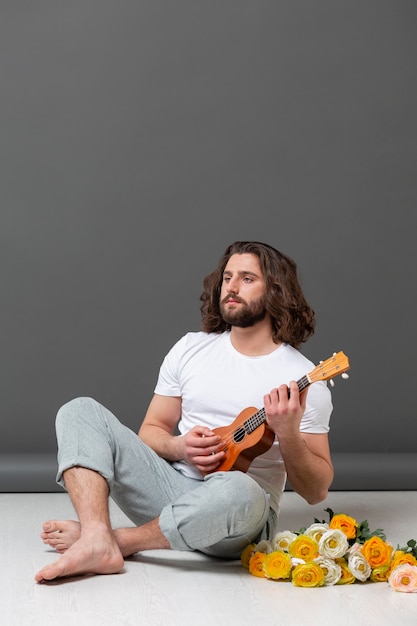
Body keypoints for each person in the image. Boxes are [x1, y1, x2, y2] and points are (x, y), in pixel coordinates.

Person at [35, 241, 334, 583]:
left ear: (277, 291)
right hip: (170, 488)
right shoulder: (191, 348)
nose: (232, 287)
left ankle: (111, 541)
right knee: (79, 410)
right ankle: (95, 533)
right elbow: (150, 430)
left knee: (240, 488)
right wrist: (179, 447)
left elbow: (316, 491)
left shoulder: (303, 380)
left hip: (237, 517)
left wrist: (289, 433)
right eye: (227, 277)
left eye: (247, 278)